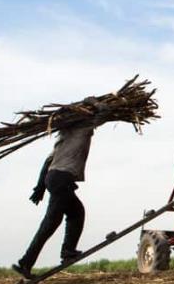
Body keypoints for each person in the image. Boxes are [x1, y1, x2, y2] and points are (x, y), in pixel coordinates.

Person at [12, 100, 106, 278]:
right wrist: (96, 103)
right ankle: (27, 262)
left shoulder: (63, 136)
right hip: (62, 179)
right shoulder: (84, 126)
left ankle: (66, 252)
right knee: (51, 223)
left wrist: (40, 187)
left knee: (76, 212)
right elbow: (104, 113)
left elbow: (47, 163)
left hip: (54, 178)